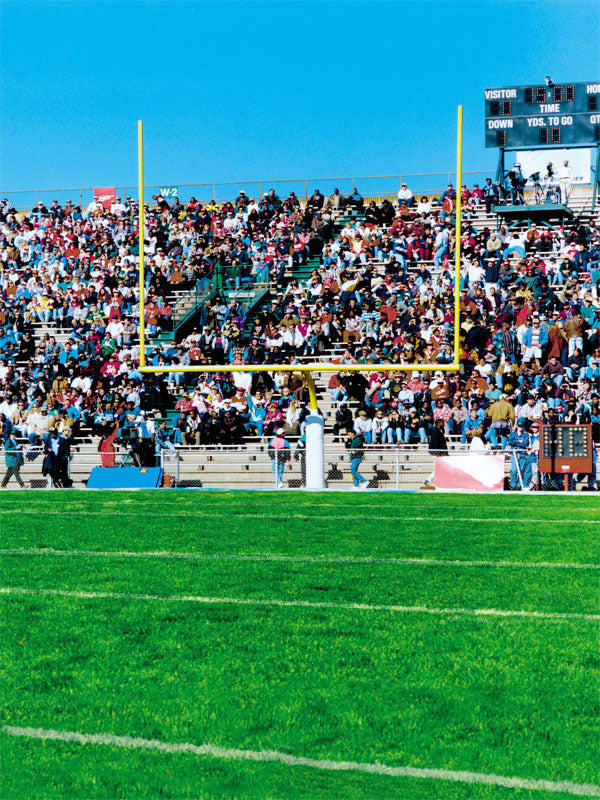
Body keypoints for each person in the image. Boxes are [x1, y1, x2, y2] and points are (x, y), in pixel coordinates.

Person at [506, 417, 532, 490]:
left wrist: (516, 443)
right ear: (517, 426)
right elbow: (510, 442)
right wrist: (518, 442)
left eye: (521, 426)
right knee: (514, 470)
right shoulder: (512, 433)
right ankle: (513, 485)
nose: (520, 428)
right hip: (514, 454)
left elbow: (525, 444)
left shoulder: (525, 434)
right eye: (519, 426)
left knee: (521, 470)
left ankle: (519, 485)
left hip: (522, 454)